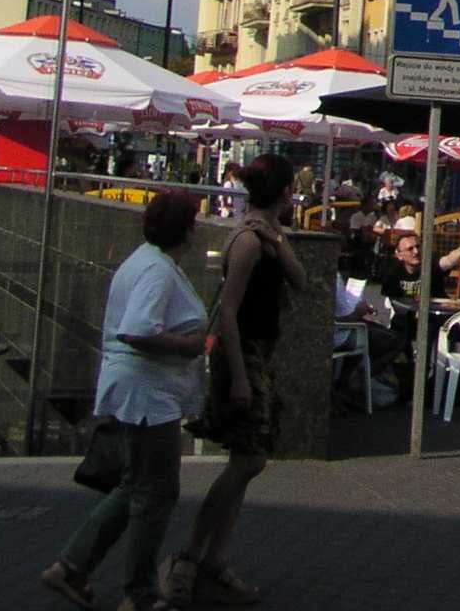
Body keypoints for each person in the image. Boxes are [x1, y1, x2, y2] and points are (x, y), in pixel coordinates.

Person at [39, 192, 206, 611]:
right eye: (194, 223)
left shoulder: (146, 260)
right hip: (148, 395)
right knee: (156, 494)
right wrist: (187, 346)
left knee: (135, 486)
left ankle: (71, 565)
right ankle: (139, 592)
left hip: (138, 390)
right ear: (185, 229)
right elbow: (137, 329)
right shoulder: (158, 272)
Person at [164, 154, 305, 609]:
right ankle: (191, 556)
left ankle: (213, 560)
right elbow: (227, 310)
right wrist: (241, 377)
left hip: (260, 353)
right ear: (284, 194)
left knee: (247, 461)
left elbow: (300, 280)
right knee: (248, 461)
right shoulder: (245, 240)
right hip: (242, 355)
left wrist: (279, 242)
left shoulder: (267, 235)